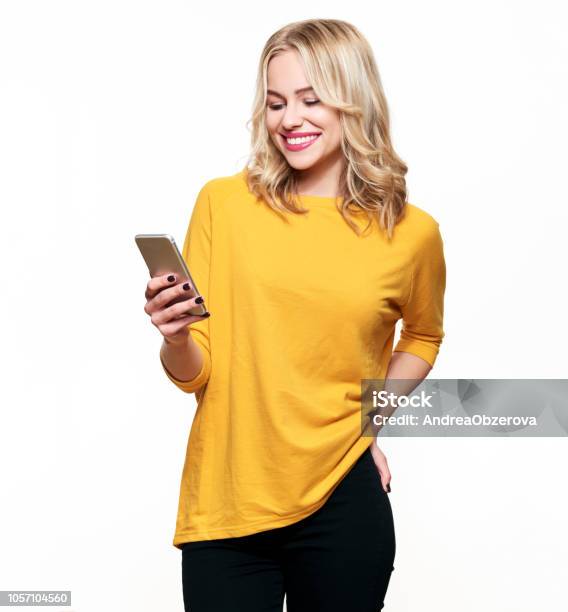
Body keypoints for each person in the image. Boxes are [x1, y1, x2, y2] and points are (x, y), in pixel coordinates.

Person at [143, 18, 446, 612]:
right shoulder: (224, 205)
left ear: (353, 101)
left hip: (344, 500)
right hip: (228, 504)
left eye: (312, 99)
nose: (290, 119)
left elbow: (425, 335)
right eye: (277, 102)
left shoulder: (411, 233)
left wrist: (368, 421)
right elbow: (194, 376)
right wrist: (175, 336)